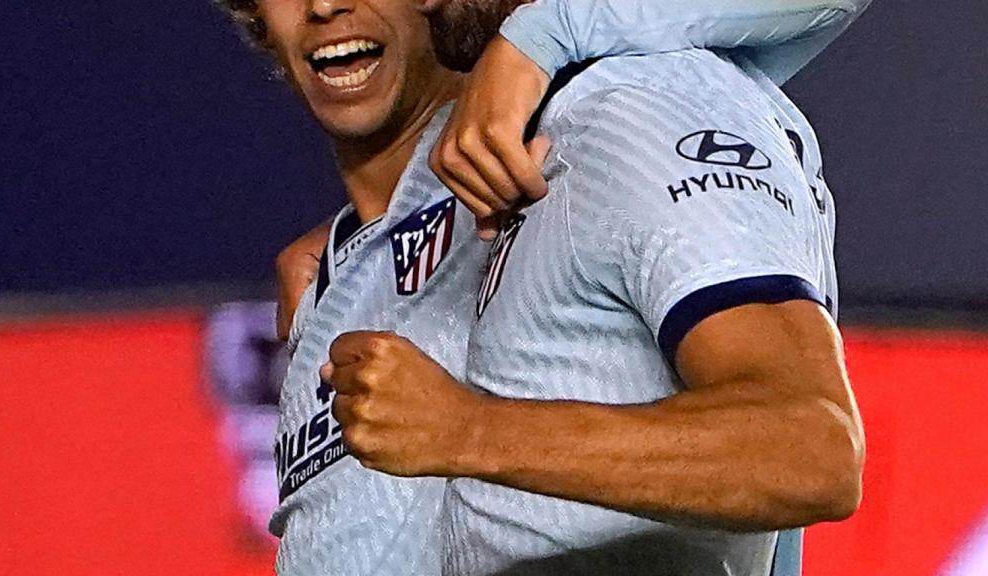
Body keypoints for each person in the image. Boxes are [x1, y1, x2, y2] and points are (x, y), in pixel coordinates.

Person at [217, 0, 869, 574]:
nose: (325, 4)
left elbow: (813, 450)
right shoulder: (361, 257)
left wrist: (469, 431)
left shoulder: (639, 102)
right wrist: (363, 253)